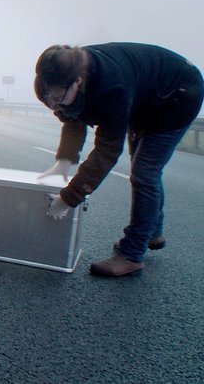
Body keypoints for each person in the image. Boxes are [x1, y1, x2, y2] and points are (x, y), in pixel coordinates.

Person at [34, 43, 203, 277]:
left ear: (78, 81)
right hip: (143, 95)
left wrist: (68, 199)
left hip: (176, 95)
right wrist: (64, 160)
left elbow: (107, 152)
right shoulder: (57, 78)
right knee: (144, 168)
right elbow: (73, 117)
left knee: (145, 173)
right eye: (48, 98)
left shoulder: (112, 88)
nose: (54, 104)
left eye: (58, 97)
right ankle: (152, 231)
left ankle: (132, 255)